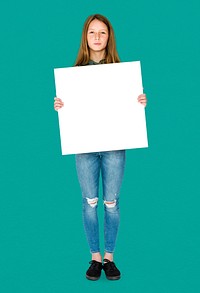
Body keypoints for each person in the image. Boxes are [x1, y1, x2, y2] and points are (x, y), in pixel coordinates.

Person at [54, 14, 147, 281]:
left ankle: (110, 258)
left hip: (115, 144)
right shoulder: (73, 76)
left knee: (111, 203)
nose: (97, 37)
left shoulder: (123, 74)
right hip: (84, 145)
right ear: (85, 37)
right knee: (89, 202)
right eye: (92, 32)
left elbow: (129, 107)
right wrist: (62, 106)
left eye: (102, 32)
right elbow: (72, 109)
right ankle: (95, 258)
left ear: (109, 37)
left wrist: (138, 101)